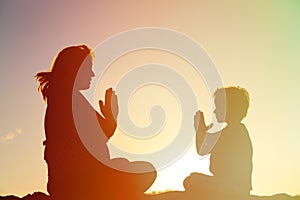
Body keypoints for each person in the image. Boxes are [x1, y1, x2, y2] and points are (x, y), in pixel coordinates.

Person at [36, 45, 156, 200]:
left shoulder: (65, 98)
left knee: (126, 165)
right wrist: (112, 119)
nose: (92, 74)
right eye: (88, 68)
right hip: (79, 183)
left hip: (69, 182)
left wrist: (110, 119)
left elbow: (97, 137)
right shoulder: (69, 101)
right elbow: (98, 138)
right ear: (75, 69)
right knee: (146, 171)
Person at [183, 86, 253, 200]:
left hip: (233, 188)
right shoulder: (235, 130)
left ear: (229, 108)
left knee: (192, 180)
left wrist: (199, 128)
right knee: (192, 179)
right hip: (235, 187)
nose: (215, 111)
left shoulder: (233, 131)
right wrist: (201, 129)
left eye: (218, 107)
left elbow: (202, 149)